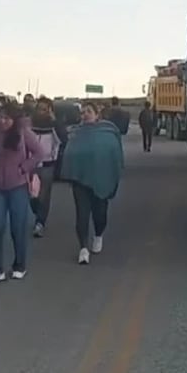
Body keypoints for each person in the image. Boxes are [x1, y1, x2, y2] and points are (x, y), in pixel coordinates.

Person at [60, 102, 125, 265]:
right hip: (80, 181)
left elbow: (116, 156)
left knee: (100, 213)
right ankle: (83, 248)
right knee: (81, 214)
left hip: (102, 179)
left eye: (89, 111)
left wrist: (114, 174)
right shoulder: (76, 133)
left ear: (97, 114)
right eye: (82, 112)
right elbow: (69, 154)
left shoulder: (108, 132)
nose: (85, 115)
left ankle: (98, 234)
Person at [0, 102, 44, 283]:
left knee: (17, 227)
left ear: (14, 119)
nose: (3, 121)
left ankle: (19, 265)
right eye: (1, 117)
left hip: (18, 186)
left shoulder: (23, 132)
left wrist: (24, 168)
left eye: (7, 118)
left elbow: (39, 152)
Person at [29, 96, 68, 237]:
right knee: (32, 195)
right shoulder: (30, 124)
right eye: (39, 109)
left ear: (50, 110)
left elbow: (63, 139)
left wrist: (55, 122)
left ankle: (40, 222)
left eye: (45, 109)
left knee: (44, 196)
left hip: (47, 164)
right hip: (31, 164)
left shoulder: (54, 126)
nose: (41, 112)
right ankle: (36, 211)